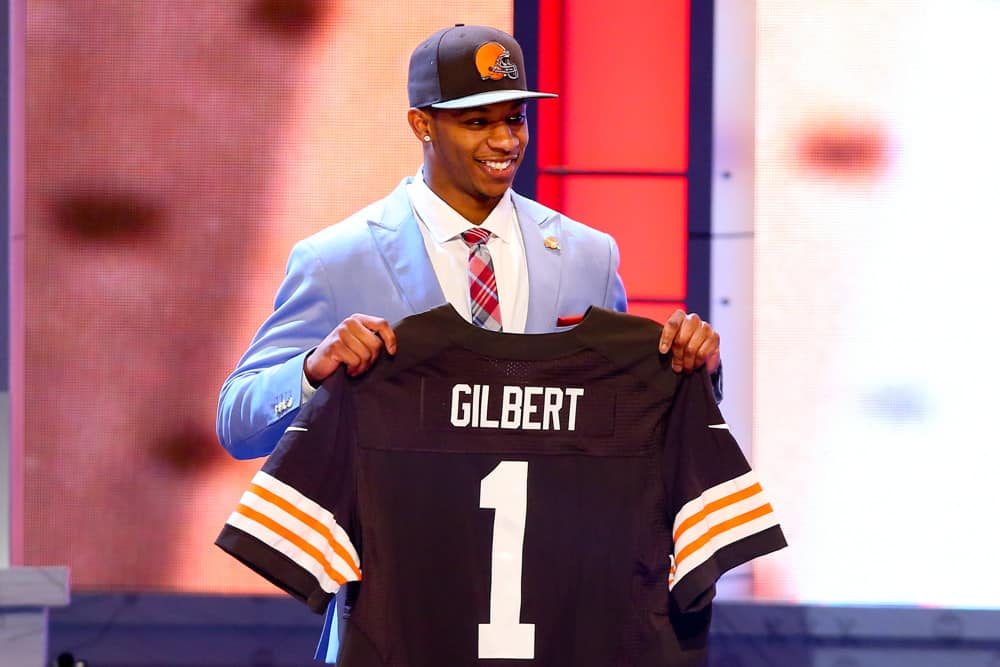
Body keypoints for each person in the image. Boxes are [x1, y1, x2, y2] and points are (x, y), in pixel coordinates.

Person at [216, 24, 722, 462]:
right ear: (422, 124)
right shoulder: (335, 261)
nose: (505, 142)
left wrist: (697, 372)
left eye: (515, 118)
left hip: (550, 563)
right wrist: (311, 370)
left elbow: (627, 413)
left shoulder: (589, 255)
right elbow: (238, 425)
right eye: (478, 122)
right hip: (402, 562)